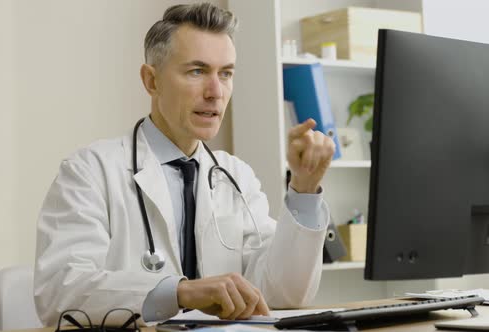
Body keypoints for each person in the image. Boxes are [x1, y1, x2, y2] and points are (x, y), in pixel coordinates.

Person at [34, 2, 335, 327]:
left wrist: (304, 191)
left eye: (226, 73)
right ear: (151, 81)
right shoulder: (89, 171)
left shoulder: (236, 177)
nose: (216, 92)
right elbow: (60, 291)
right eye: (197, 71)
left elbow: (283, 294)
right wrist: (180, 292)